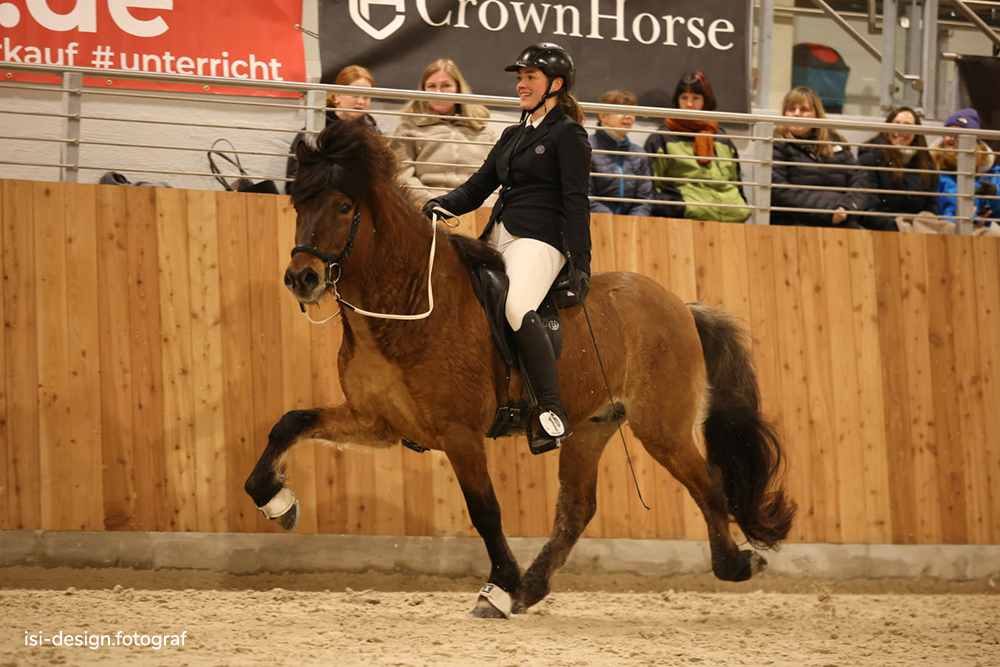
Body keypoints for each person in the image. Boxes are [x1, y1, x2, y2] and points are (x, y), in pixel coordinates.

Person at [422, 43, 591, 454]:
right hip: (498, 233)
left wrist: (581, 263)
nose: (521, 85)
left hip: (542, 239)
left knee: (516, 307)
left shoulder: (569, 134)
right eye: (520, 77)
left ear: (555, 84)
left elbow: (576, 201)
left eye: (530, 77)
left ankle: (551, 412)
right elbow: (479, 186)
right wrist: (437, 205)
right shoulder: (514, 134)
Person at [389, 59, 498, 208]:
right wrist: (436, 203)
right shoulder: (408, 129)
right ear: (423, 90)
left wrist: (483, 204)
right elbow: (402, 176)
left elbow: (497, 176)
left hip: (479, 207)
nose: (438, 92)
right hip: (425, 208)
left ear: (458, 89)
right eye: (431, 86)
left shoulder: (484, 129)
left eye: (446, 85)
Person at [643, 71, 749, 222]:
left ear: (706, 101)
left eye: (696, 98)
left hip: (731, 220)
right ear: (677, 101)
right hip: (684, 221)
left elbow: (736, 183)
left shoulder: (722, 139)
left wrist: (740, 206)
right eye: (684, 98)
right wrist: (682, 208)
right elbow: (651, 189)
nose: (689, 104)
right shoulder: (661, 139)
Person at [770, 86, 868, 228]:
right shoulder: (776, 143)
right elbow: (779, 189)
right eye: (791, 109)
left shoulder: (835, 141)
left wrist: (847, 207)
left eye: (804, 110)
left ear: (816, 114)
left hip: (841, 217)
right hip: (796, 220)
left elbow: (859, 179)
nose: (797, 114)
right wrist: (826, 210)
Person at [285, 65, 379, 194]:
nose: (361, 102)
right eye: (355, 95)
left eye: (366, 96)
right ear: (337, 95)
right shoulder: (315, 130)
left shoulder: (373, 132)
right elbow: (293, 181)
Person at [857, 107, 937, 232]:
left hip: (916, 227)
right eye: (896, 124)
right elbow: (867, 207)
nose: (900, 131)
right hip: (882, 227)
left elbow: (931, 206)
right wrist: (896, 228)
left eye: (907, 126)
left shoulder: (926, 162)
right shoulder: (871, 157)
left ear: (916, 133)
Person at [930, 108, 1000, 234]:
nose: (953, 139)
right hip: (935, 233)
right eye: (950, 133)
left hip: (975, 236)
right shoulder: (930, 169)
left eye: (961, 135)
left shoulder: (989, 175)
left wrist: (994, 195)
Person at [588, 89, 653, 217]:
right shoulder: (586, 149)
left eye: (632, 112)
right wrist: (612, 220)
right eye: (622, 111)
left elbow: (645, 198)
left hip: (633, 228)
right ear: (603, 116)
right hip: (595, 223)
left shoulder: (639, 154)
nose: (628, 116)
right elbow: (584, 196)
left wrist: (632, 221)